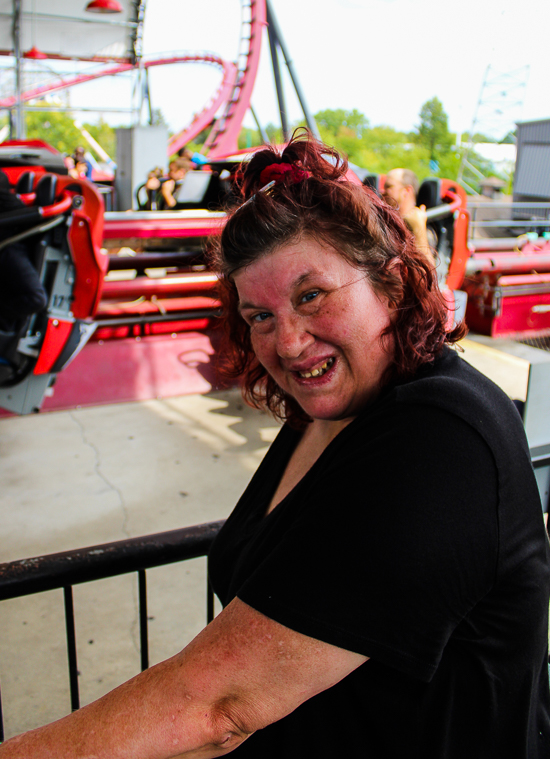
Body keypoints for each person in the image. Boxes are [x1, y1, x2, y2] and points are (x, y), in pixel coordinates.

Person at [1, 130, 549, 759]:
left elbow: (219, 704)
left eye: (311, 296)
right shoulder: (327, 411)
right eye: (260, 316)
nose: (287, 342)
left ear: (392, 285)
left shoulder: (442, 442)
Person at [383, 167, 435, 264]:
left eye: (389, 186)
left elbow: (429, 274)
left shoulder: (424, 230)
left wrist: (418, 229)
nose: (382, 191)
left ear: (407, 190)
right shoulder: (386, 223)